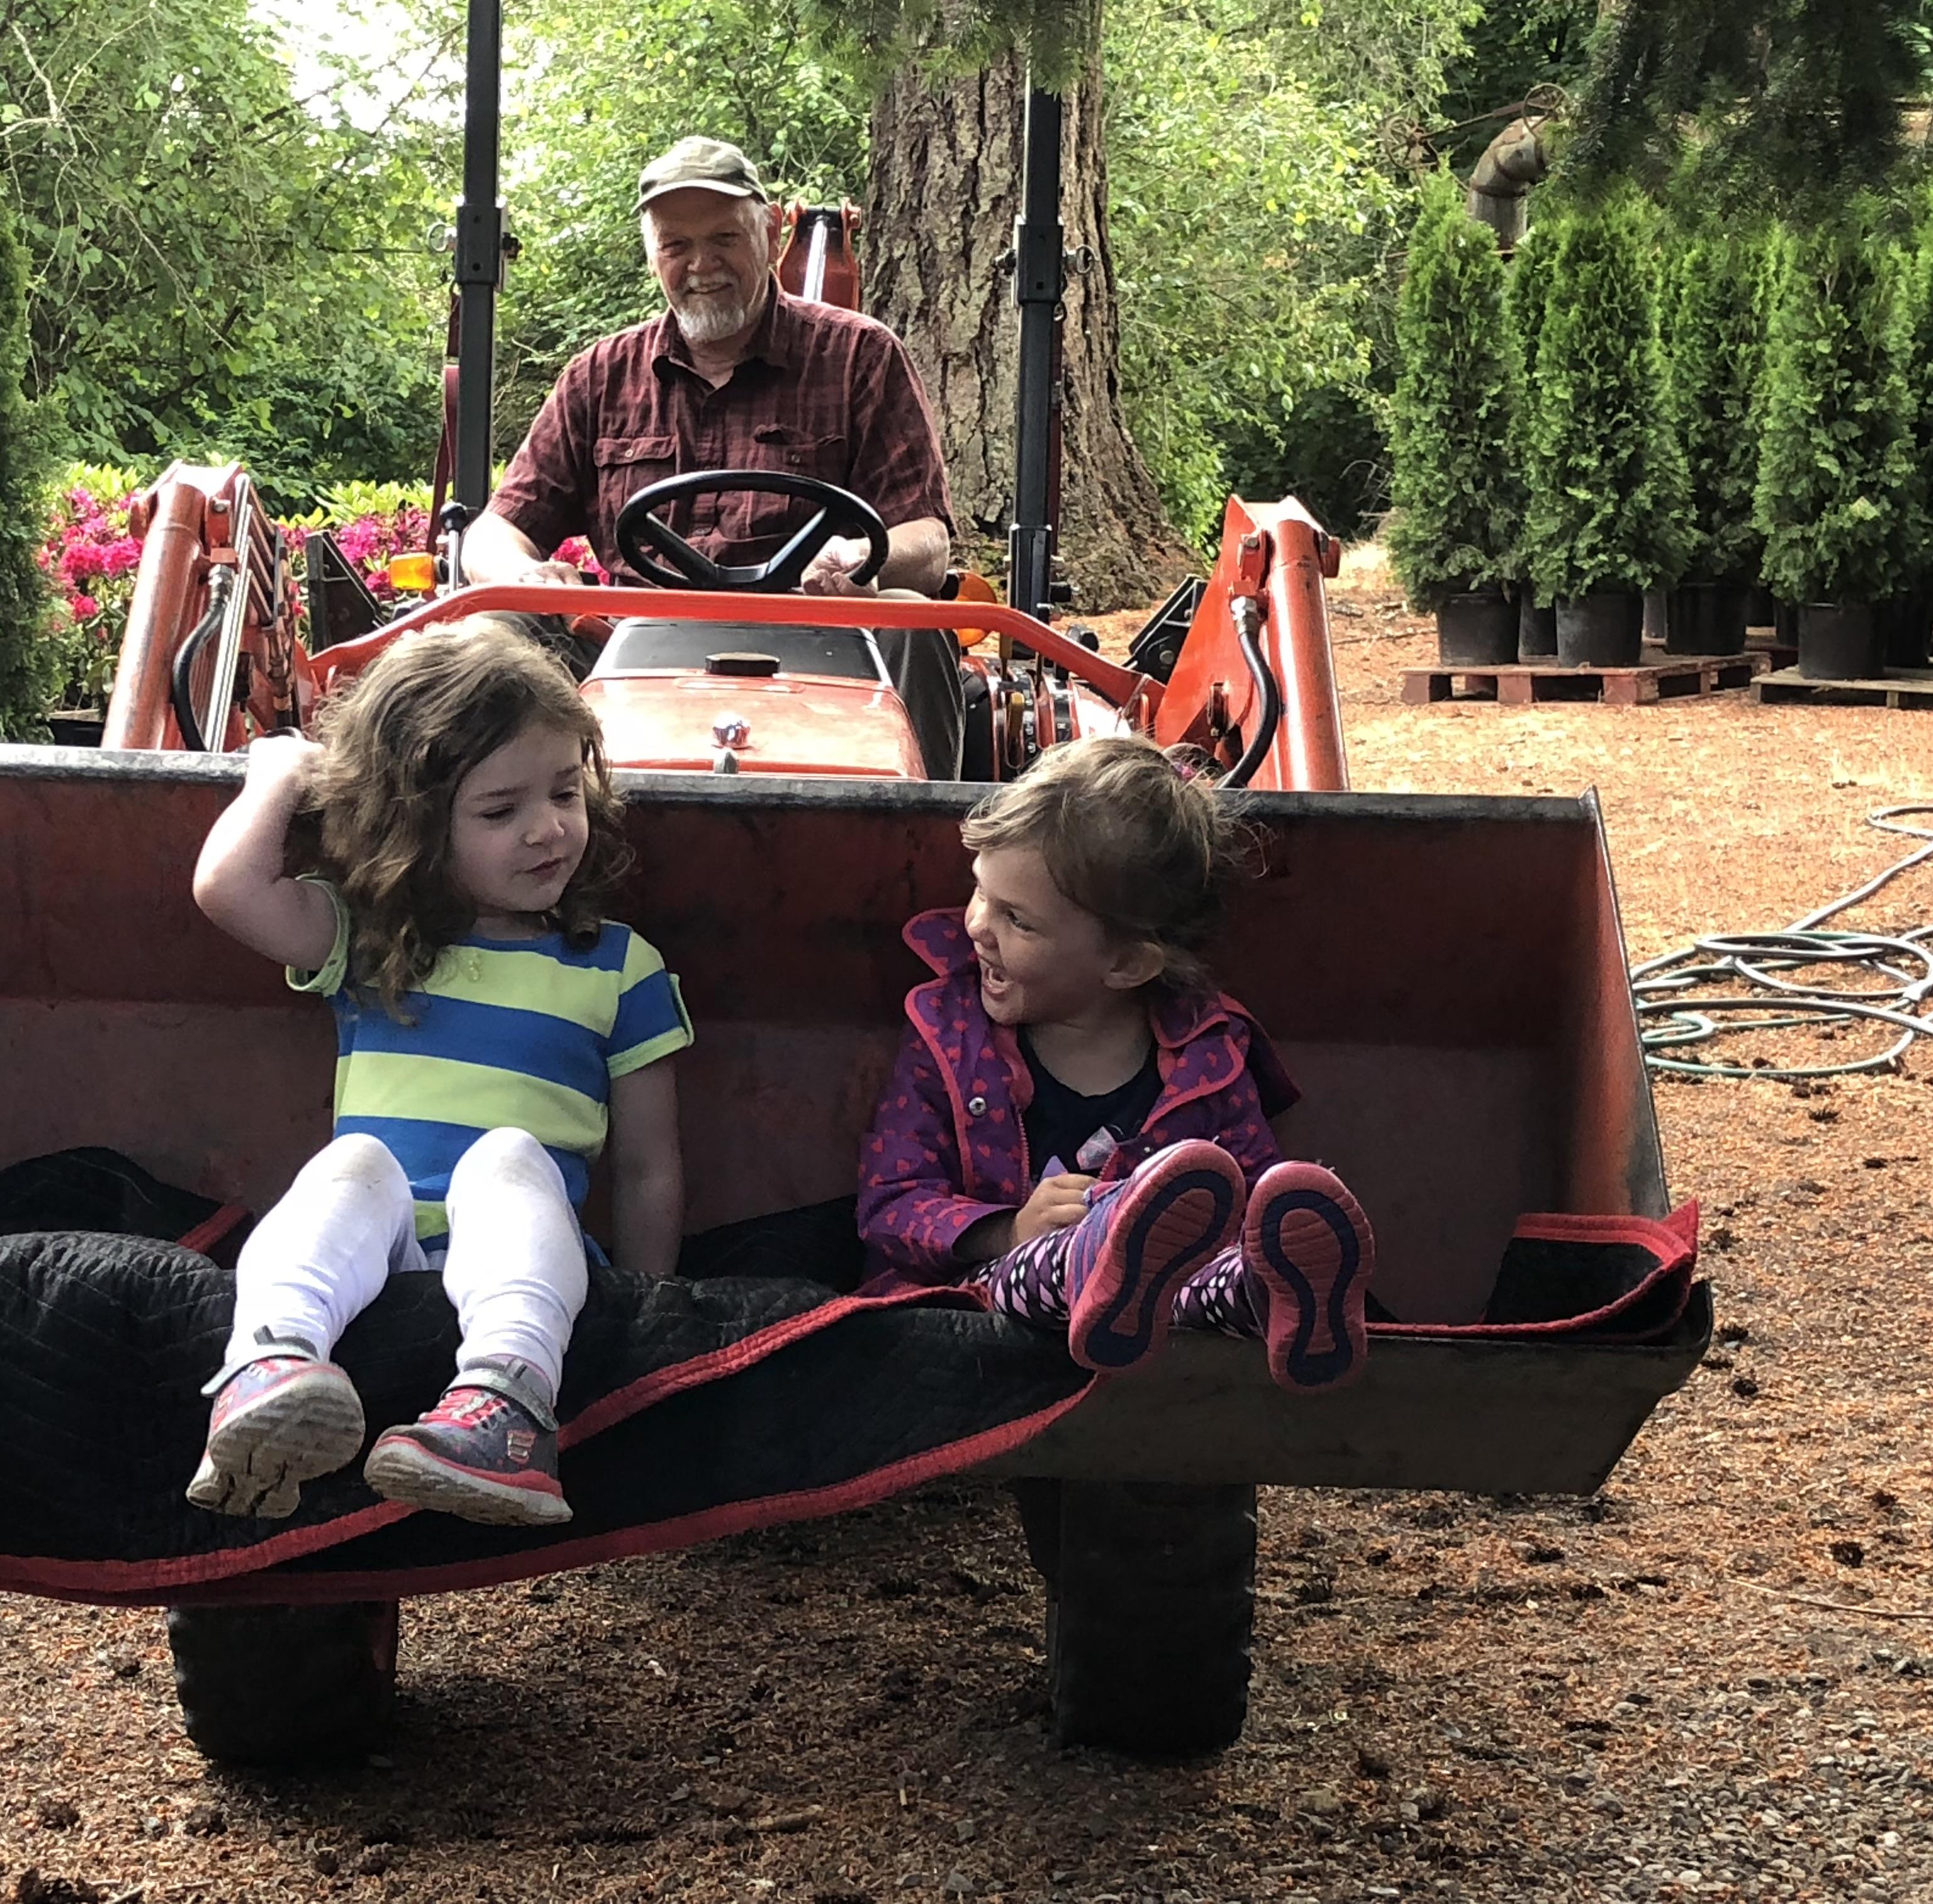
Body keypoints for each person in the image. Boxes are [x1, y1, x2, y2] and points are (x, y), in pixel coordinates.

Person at [186, 621, 693, 1527]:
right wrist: (277, 778)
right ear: (415, 825)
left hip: (520, 1260)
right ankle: (272, 1364)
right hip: (373, 1257)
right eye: (500, 811)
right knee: (351, 1167)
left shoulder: (619, 966)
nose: (548, 830)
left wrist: (648, 1313)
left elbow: (651, 1165)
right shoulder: (374, 942)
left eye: (566, 792)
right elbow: (229, 890)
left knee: (506, 1156)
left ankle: (505, 1401)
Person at [856, 735, 1375, 1391]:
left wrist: (1265, 1231)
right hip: (980, 1300)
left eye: (1018, 920)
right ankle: (1096, 1259)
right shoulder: (949, 1036)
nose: (978, 926)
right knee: (1060, 1267)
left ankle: (1279, 1295)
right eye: (981, 892)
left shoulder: (1207, 1059)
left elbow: (1248, 1184)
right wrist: (1006, 1231)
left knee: (1227, 1268)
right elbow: (891, 1204)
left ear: (1127, 964)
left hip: (1157, 1316)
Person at [464, 135, 954, 601]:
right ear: (653, 257)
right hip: (627, 647)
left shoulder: (859, 357)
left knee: (909, 621)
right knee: (495, 634)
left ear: (771, 230)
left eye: (724, 238)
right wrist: (526, 574)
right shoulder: (599, 376)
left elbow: (927, 541)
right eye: (676, 246)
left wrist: (859, 556)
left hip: (817, 641)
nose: (702, 264)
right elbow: (496, 532)